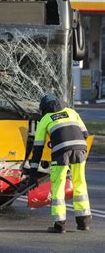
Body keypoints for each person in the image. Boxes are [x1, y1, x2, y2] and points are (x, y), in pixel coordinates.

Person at [28, 94, 91, 233]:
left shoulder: (45, 119)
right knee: (80, 183)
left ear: (43, 109)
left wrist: (32, 172)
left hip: (61, 153)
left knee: (58, 186)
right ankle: (84, 223)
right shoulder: (72, 112)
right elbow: (85, 133)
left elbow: (38, 148)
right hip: (80, 149)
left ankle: (60, 225)